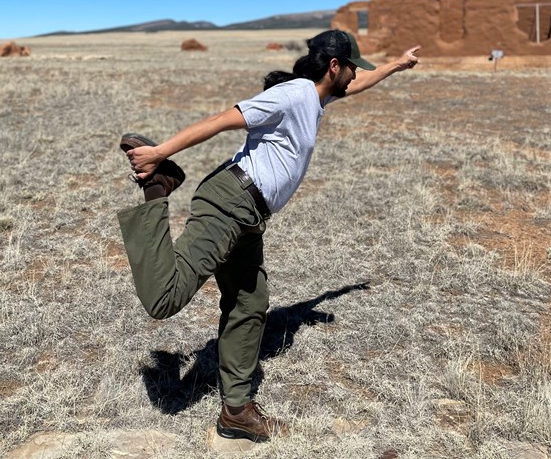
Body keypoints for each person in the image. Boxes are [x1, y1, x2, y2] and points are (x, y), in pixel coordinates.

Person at [117, 29, 420, 442]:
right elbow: (222, 120)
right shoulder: (294, 94)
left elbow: (360, 83)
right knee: (164, 298)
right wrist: (159, 154)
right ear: (334, 67)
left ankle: (236, 412)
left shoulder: (318, 96)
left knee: (250, 302)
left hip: (250, 214)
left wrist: (395, 65)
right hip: (230, 202)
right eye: (351, 67)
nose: (354, 76)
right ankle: (159, 189)